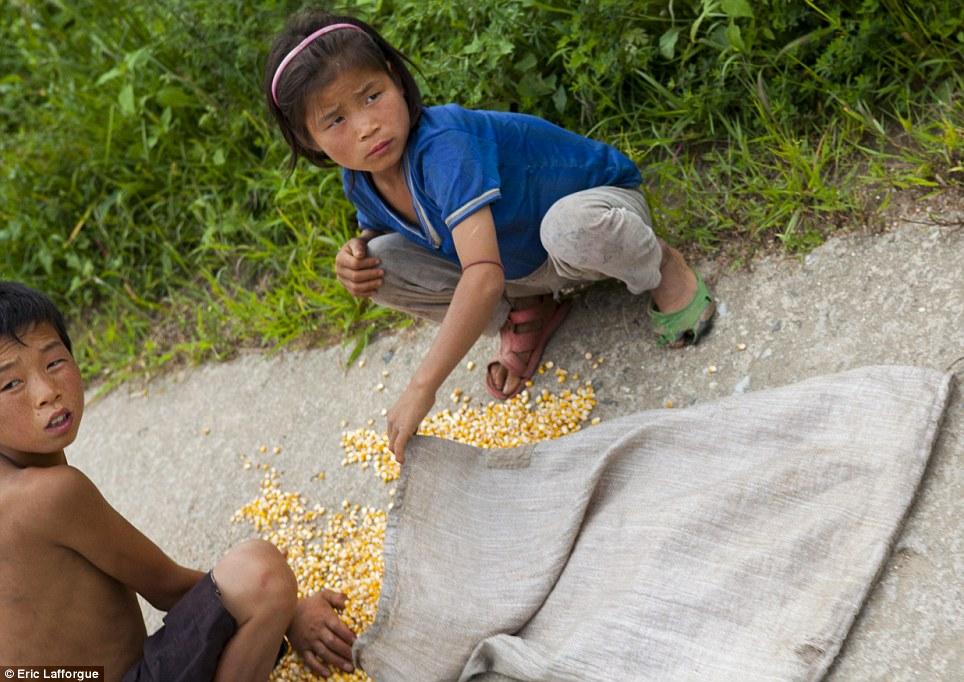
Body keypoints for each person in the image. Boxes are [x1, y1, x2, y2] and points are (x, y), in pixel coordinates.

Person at [264, 11, 716, 461]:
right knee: (379, 262)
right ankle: (528, 307)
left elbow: (482, 276)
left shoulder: (444, 148)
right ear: (309, 139)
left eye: (371, 96)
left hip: (599, 212)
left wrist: (422, 387)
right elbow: (387, 224)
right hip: (524, 263)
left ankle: (661, 265)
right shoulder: (360, 177)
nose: (367, 126)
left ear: (395, 79)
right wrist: (355, 253)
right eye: (336, 120)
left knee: (568, 228)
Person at [0, 282, 357, 680]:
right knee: (261, 574)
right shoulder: (50, 494)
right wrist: (293, 613)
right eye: (10, 383)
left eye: (53, 363)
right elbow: (166, 588)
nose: (47, 392)